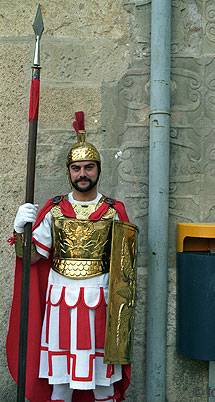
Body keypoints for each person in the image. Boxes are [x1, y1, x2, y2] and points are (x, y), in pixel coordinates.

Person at [7, 112, 137, 402]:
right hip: (61, 303)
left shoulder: (115, 212)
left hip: (101, 304)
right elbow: (30, 260)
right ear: (69, 171)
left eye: (88, 167)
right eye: (76, 168)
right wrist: (20, 232)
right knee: (61, 381)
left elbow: (125, 273)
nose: (82, 174)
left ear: (98, 170)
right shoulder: (54, 211)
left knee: (103, 382)